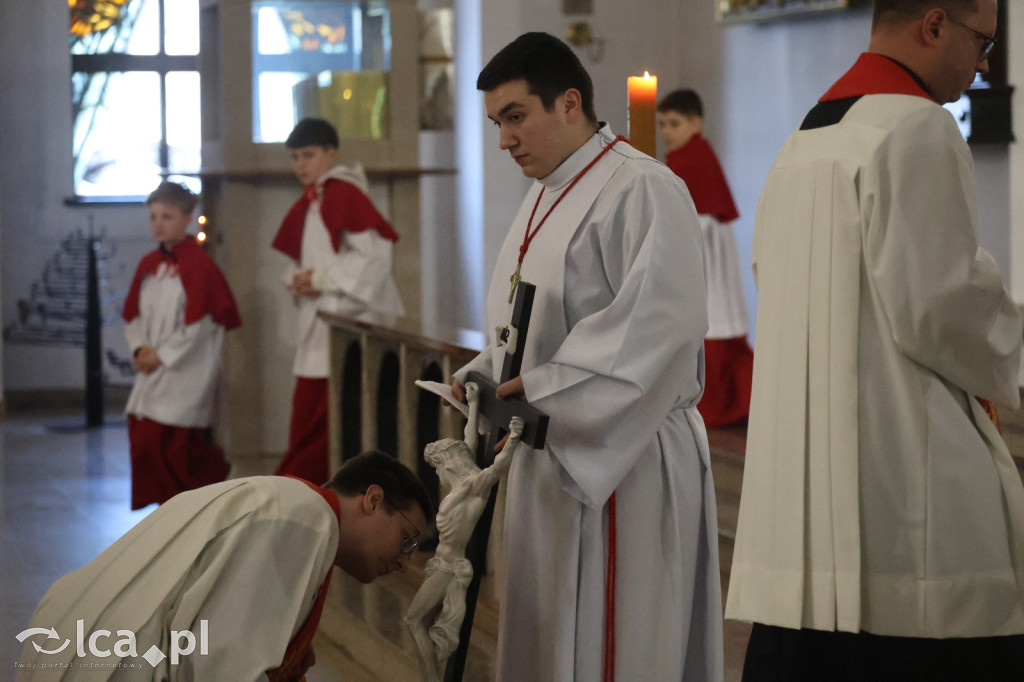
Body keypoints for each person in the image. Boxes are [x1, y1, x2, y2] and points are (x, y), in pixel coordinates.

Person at [726, 1, 1024, 680]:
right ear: (933, 23)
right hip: (899, 490)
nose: (981, 69)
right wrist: (1010, 328)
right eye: (982, 44)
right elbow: (940, 305)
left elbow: (769, 271)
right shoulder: (917, 127)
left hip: (801, 502)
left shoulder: (807, 134)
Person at [450, 32, 723, 681]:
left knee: (616, 647)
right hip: (547, 451)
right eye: (495, 123)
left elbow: (654, 332)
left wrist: (541, 389)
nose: (503, 141)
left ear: (570, 102)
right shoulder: (545, 192)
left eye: (515, 116)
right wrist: (484, 376)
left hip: (620, 459)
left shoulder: (643, 189)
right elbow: (523, 322)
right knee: (546, 639)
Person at [17, 452, 435, 681]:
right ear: (373, 500)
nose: (404, 561)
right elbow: (223, 666)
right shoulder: (303, 520)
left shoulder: (290, 503)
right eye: (408, 538)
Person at [272, 117, 405, 484]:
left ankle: (297, 491)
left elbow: (374, 257)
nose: (300, 164)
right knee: (309, 423)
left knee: (323, 425)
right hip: (322, 325)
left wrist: (316, 279)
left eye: (308, 155)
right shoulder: (313, 200)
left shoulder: (343, 193)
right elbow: (300, 262)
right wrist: (298, 279)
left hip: (346, 325)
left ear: (331, 154)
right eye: (295, 156)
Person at [122, 181, 241, 510]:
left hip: (185, 369)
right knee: (146, 441)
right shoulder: (149, 265)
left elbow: (201, 324)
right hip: (151, 367)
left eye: (167, 216)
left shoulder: (199, 265)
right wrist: (139, 349)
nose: (158, 224)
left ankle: (194, 504)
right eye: (154, 217)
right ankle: (169, 509)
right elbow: (133, 315)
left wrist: (161, 355)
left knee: (174, 448)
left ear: (187, 218)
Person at [405, 381, 523, 682]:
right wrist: (472, 404)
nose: (437, 472)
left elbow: (498, 469)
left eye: (437, 466)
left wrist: (514, 438)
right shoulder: (462, 476)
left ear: (448, 463)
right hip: (440, 564)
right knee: (417, 621)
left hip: (448, 567)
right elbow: (469, 437)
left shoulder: (472, 485)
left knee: (414, 620)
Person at [657, 89, 754, 428]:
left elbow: (696, 220)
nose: (666, 131)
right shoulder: (698, 154)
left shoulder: (688, 159)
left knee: (710, 319)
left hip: (704, 254)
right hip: (711, 249)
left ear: (696, 122)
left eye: (673, 123)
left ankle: (717, 409)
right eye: (661, 124)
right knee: (720, 318)